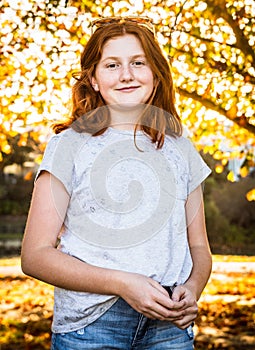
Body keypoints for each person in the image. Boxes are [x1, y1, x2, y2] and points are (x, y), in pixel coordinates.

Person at [21, 16, 212, 350]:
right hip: (91, 327)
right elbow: (35, 255)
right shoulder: (69, 145)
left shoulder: (180, 147)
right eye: (112, 65)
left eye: (138, 62)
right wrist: (122, 283)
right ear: (94, 80)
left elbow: (199, 249)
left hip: (169, 327)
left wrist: (192, 290)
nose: (126, 74)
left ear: (155, 75)